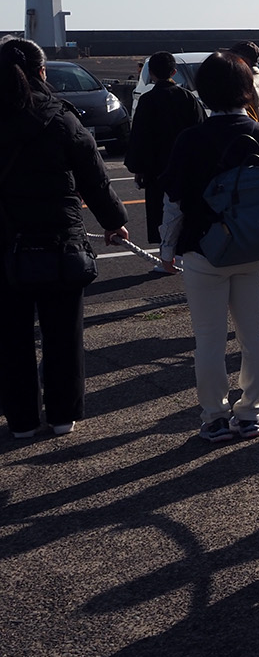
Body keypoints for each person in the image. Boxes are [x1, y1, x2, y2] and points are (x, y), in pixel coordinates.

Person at [0, 38, 129, 438]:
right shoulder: (61, 118)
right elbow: (95, 179)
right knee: (63, 334)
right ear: (42, 71)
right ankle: (61, 415)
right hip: (60, 242)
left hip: (5, 247)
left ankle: (20, 421)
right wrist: (114, 221)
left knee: (10, 338)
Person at [159, 52, 259, 442]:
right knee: (255, 334)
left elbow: (174, 201)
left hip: (205, 250)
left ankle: (214, 418)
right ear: (246, 89)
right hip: (254, 250)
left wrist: (167, 251)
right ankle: (250, 414)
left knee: (209, 339)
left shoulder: (192, 138)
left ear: (203, 90)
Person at [124, 51, 204, 271]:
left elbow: (139, 137)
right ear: (174, 72)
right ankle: (184, 255)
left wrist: (137, 168)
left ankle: (167, 259)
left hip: (156, 167)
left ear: (151, 73)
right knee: (186, 212)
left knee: (162, 215)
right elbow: (200, 131)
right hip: (186, 167)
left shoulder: (148, 100)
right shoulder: (188, 98)